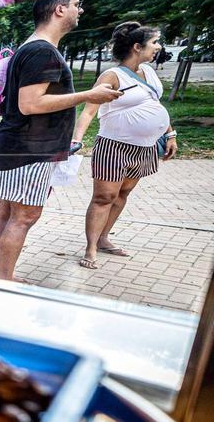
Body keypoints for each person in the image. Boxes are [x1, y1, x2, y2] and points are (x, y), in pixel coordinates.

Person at [0, 0, 122, 282]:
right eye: (76, 4)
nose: (80, 10)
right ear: (60, 10)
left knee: (9, 212)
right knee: (23, 216)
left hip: (15, 147)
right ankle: (2, 280)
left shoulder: (31, 46)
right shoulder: (43, 52)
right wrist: (89, 95)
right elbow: (30, 104)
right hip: (30, 149)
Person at [72, 22, 176, 270]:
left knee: (122, 194)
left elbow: (155, 105)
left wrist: (171, 133)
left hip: (145, 147)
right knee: (103, 197)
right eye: (154, 43)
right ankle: (91, 248)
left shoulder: (148, 72)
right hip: (114, 147)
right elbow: (88, 112)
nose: (158, 47)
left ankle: (104, 237)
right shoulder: (111, 76)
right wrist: (76, 139)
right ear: (137, 47)